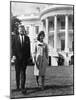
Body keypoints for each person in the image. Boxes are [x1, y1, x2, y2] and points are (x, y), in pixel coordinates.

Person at [12, 25, 31, 94]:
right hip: (17, 59)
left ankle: (22, 87)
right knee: (17, 73)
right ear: (18, 30)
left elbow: (28, 49)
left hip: (24, 60)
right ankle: (17, 87)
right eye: (20, 30)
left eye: (22, 29)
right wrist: (13, 55)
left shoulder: (27, 38)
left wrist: (28, 57)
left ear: (24, 30)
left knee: (23, 73)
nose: (21, 31)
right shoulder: (15, 38)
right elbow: (12, 47)